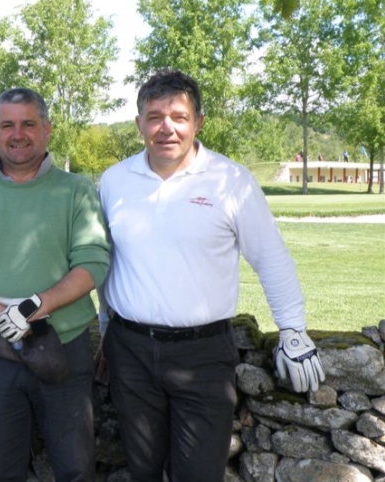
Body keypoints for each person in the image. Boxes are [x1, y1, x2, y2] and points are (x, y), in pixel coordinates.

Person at [96, 70, 325, 482]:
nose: (167, 127)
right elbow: (105, 260)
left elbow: (270, 256)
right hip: (129, 350)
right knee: (142, 470)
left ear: (198, 122)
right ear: (139, 124)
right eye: (154, 116)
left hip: (203, 355)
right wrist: (103, 324)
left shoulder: (232, 180)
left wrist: (292, 328)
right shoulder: (114, 181)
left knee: (199, 474)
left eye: (179, 116)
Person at [0, 87, 110, 482]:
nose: (18, 134)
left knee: (76, 470)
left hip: (65, 352)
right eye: (8, 125)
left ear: (46, 129)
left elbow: (93, 262)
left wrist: (32, 306)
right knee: (2, 470)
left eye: (29, 124)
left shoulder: (76, 191)